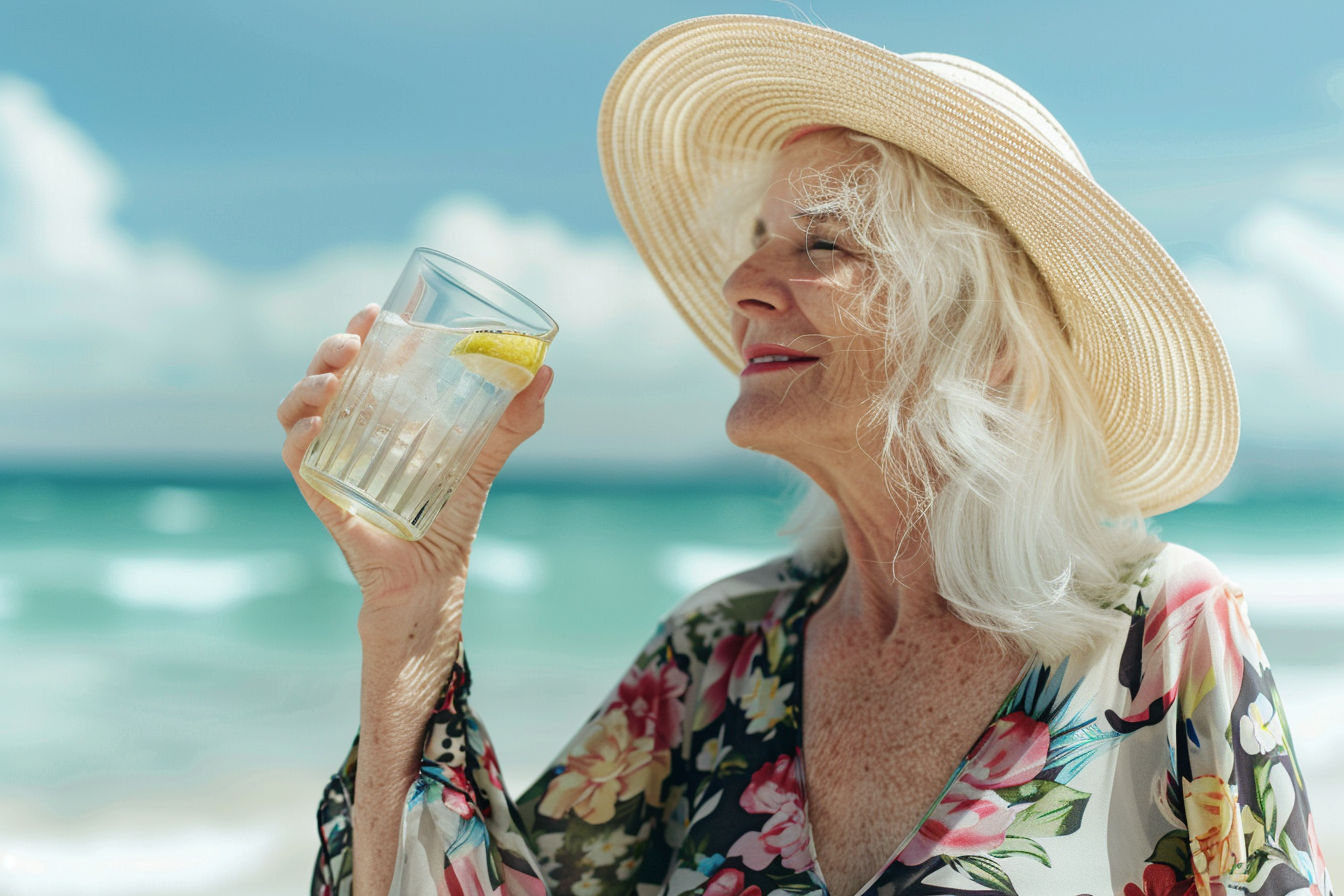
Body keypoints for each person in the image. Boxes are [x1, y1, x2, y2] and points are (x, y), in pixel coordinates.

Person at [277, 16, 1333, 896]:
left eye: (820, 243)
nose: (742, 283)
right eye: (757, 235)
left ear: (992, 343)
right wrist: (413, 611)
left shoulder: (1166, 637)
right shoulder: (713, 656)